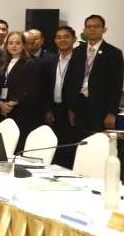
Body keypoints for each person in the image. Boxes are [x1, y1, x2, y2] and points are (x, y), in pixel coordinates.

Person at [66, 15, 124, 135]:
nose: (92, 29)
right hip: (79, 108)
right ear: (84, 30)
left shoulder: (114, 53)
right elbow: (71, 81)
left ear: (104, 29)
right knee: (78, 140)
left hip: (101, 110)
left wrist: (111, 113)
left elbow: (116, 85)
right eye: (89, 27)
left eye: (96, 26)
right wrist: (71, 108)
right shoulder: (76, 52)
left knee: (98, 141)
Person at [0, 31, 44, 151]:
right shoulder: (3, 63)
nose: (14, 46)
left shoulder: (32, 63)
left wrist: (11, 103)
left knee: (18, 146)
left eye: (18, 43)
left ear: (24, 45)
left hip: (22, 111)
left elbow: (32, 88)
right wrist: (0, 103)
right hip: (3, 110)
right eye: (10, 43)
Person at [43, 26, 77, 167]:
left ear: (74, 39)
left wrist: (73, 108)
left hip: (71, 110)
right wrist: (48, 109)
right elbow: (46, 87)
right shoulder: (51, 60)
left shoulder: (79, 60)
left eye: (66, 36)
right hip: (54, 109)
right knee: (54, 147)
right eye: (58, 37)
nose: (62, 40)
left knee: (69, 148)